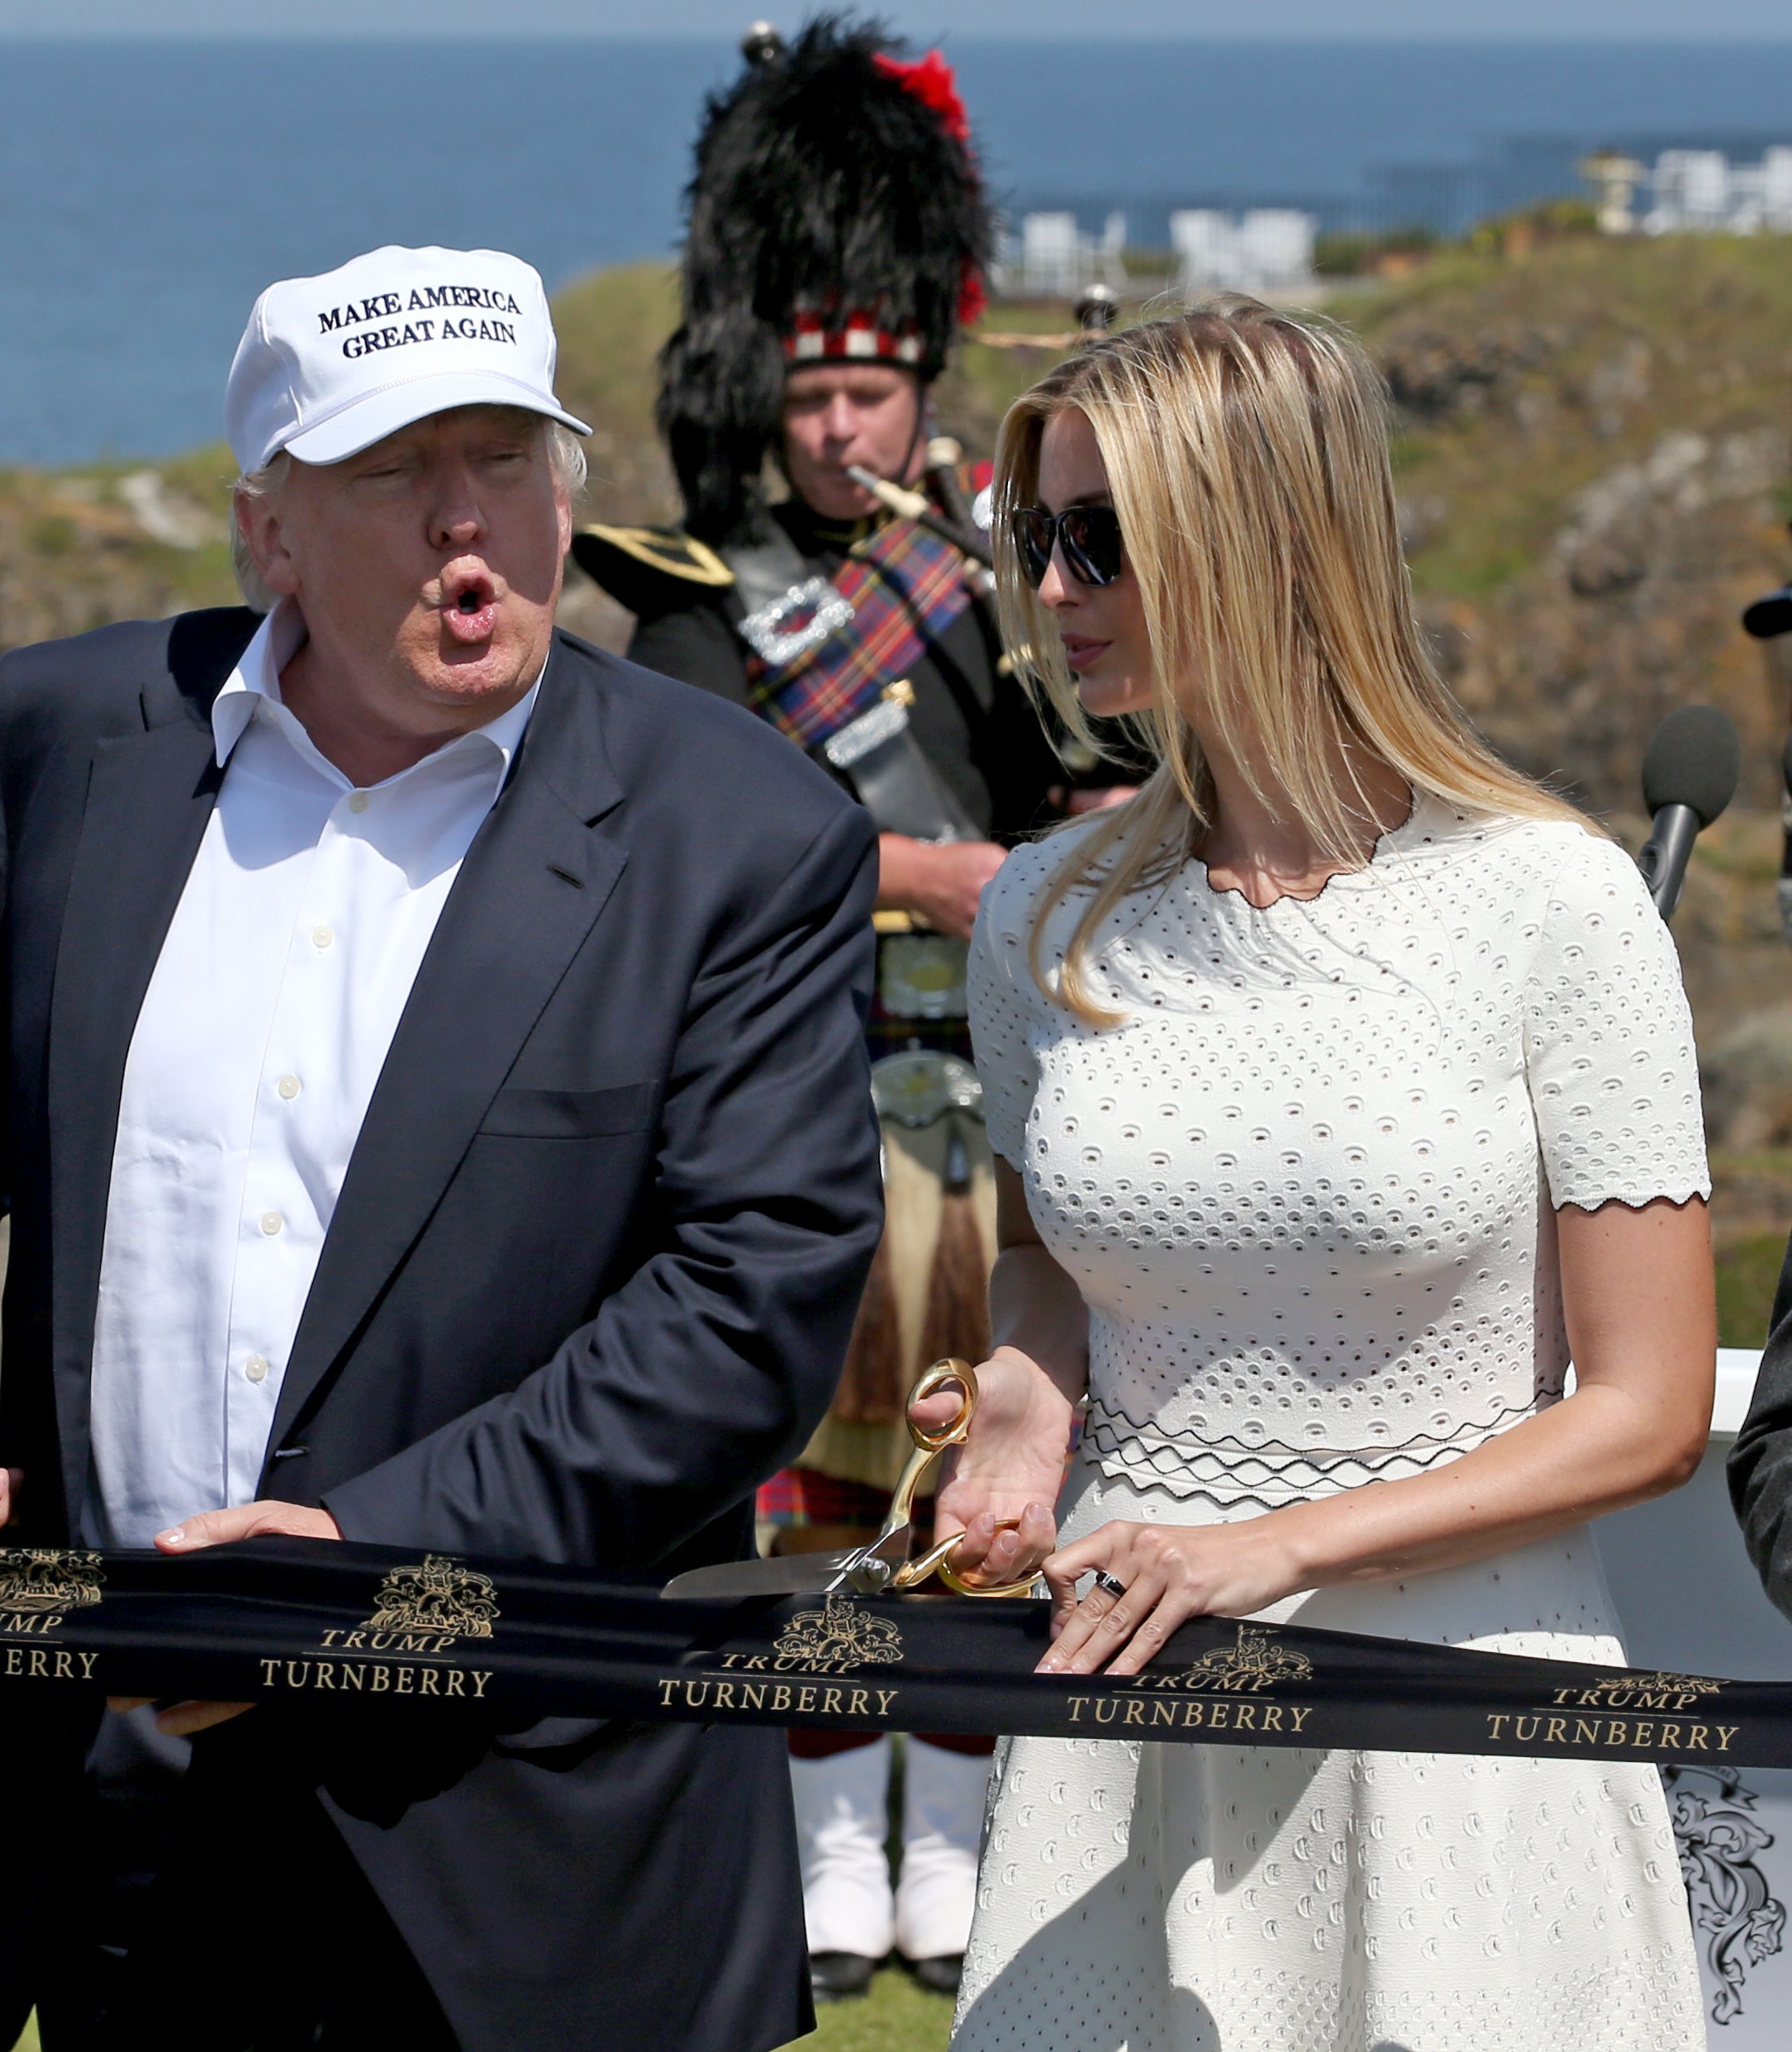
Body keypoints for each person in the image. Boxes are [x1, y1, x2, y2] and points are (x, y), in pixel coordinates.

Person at [0, 243, 882, 2052]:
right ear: (270, 534)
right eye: (398, 472)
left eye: (512, 463)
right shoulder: (78, 740)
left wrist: (355, 1551)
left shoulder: (745, 834)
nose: (471, 526)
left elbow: (750, 1305)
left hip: (529, 1826)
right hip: (128, 1779)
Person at [930, 297, 1714, 2050]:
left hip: (1461, 1720)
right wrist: (1021, 1392)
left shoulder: (1552, 906)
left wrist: (1271, 1546)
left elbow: (1651, 1410)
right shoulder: (1036, 917)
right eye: (1034, 538)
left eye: (1103, 540)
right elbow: (1060, 1251)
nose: (1052, 593)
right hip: (1125, 1715)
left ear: (1266, 539)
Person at [566, 18, 1072, 1995]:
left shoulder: (993, 583)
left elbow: (1083, 802)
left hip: (990, 1095)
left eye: (879, 385)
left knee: (972, 1473)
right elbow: (682, 856)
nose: (848, 424)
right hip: (795, 1098)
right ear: (758, 389)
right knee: (797, 1488)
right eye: (817, 387)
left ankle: (948, 1844)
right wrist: (932, 877)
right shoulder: (691, 604)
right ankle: (816, 1836)